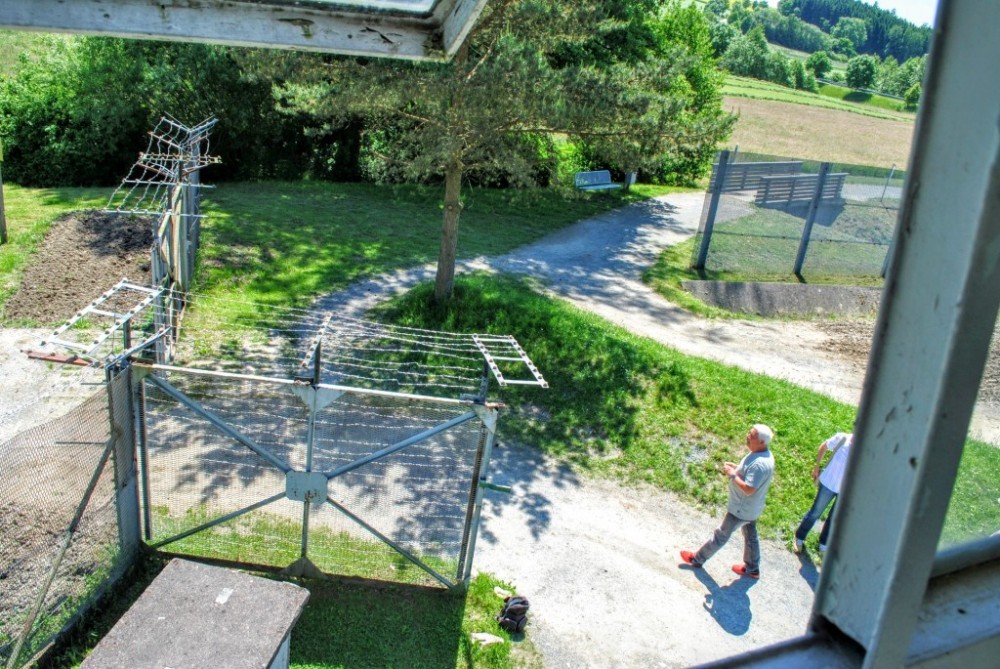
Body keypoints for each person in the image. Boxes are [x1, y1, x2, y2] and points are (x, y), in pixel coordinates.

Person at [680, 424, 775, 579]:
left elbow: (750, 489)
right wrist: (738, 469)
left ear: (762, 442)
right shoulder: (764, 454)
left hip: (741, 509)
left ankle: (697, 558)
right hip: (753, 508)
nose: (748, 437)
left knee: (721, 535)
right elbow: (751, 475)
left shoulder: (759, 464)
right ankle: (752, 568)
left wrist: (733, 475)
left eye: (752, 436)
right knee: (751, 536)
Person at [793, 431, 853, 553]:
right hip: (828, 484)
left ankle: (823, 543)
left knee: (834, 518)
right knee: (815, 512)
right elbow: (824, 446)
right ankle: (799, 538)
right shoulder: (842, 439)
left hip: (846, 490)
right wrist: (817, 466)